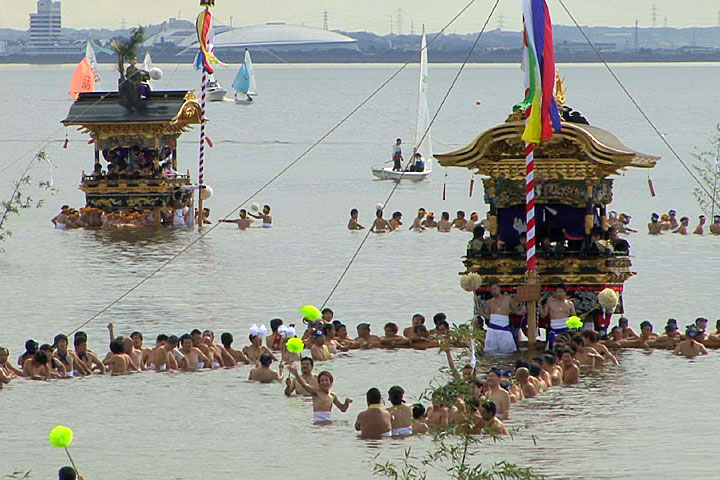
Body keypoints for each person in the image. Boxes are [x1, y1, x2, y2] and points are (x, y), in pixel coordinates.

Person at [482, 282, 522, 354]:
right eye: (491, 290)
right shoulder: (489, 302)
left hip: (505, 329)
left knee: (508, 352)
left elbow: (516, 311)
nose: (494, 291)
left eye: (495, 288)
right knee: (491, 352)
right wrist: (481, 313)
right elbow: (488, 317)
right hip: (492, 330)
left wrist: (525, 311)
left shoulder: (508, 299)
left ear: (499, 288)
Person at [540, 284, 576, 350]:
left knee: (566, 348)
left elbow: (574, 317)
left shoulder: (570, 304)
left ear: (565, 292)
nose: (559, 294)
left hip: (566, 329)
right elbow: (543, 315)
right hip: (554, 329)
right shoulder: (550, 303)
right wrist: (539, 305)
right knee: (552, 348)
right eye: (557, 292)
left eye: (561, 292)